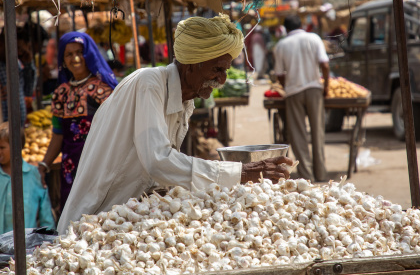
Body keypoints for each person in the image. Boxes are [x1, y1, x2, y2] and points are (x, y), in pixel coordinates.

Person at [57, 15, 292, 234]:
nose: (222, 79)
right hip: (93, 221)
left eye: (225, 71)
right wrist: (239, 172)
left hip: (125, 220)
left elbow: (161, 171)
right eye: (217, 69)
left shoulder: (185, 99)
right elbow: (158, 160)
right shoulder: (150, 83)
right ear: (192, 65)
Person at [38, 32, 118, 212]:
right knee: (72, 219)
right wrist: (44, 165)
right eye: (68, 54)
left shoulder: (103, 91)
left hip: (100, 165)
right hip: (71, 169)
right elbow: (58, 135)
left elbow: (117, 130)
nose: (75, 58)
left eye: (79, 52)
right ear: (63, 60)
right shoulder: (60, 93)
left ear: (88, 54)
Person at [0, 122, 55, 243]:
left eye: (2, 147)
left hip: (29, 243)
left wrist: (49, 236)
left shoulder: (33, 174)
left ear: (17, 147)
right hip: (0, 243)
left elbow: (45, 210)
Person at [274, 15, 330, 182]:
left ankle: (307, 176)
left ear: (286, 29)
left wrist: (287, 86)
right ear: (302, 25)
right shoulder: (314, 38)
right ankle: (321, 174)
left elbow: (279, 74)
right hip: (314, 89)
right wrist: (325, 86)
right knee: (317, 132)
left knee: (298, 135)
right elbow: (325, 65)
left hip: (293, 92)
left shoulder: (281, 45)